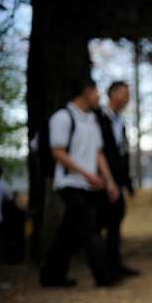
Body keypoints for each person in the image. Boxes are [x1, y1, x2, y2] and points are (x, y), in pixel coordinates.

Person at [40, 78, 121, 288]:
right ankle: (105, 277)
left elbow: (98, 153)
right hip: (69, 182)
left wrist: (109, 181)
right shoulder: (62, 117)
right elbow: (57, 152)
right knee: (89, 226)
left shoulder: (91, 120)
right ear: (86, 91)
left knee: (69, 232)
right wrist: (87, 174)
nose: (99, 97)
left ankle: (51, 276)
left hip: (88, 184)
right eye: (96, 92)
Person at [95, 81, 140, 277]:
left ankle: (115, 264)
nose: (127, 98)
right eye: (124, 93)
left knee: (115, 222)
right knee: (96, 225)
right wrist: (106, 179)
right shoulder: (98, 118)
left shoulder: (119, 121)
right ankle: (104, 267)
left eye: (128, 94)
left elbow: (121, 154)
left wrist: (126, 182)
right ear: (112, 94)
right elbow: (101, 152)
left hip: (116, 180)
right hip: (100, 180)